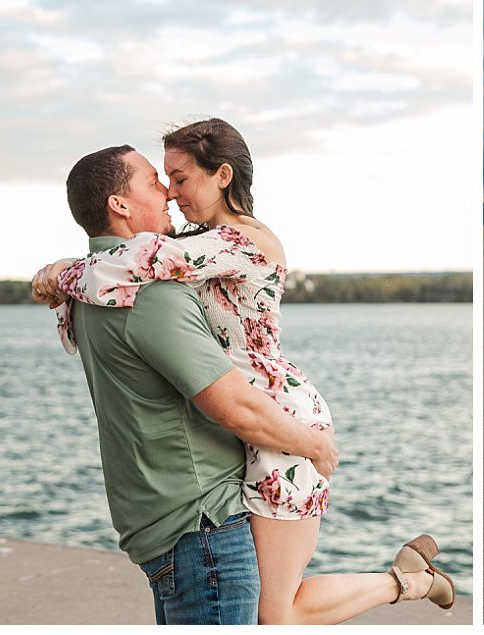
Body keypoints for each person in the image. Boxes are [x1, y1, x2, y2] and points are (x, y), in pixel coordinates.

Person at [31, 127, 454, 623]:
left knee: (277, 616)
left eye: (179, 177)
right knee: (274, 611)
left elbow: (139, 259)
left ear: (222, 176)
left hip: (279, 418)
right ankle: (407, 578)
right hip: (252, 419)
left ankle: (406, 583)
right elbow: (130, 270)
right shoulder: (197, 250)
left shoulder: (240, 242)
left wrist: (63, 271)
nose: (170, 190)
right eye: (162, 180)